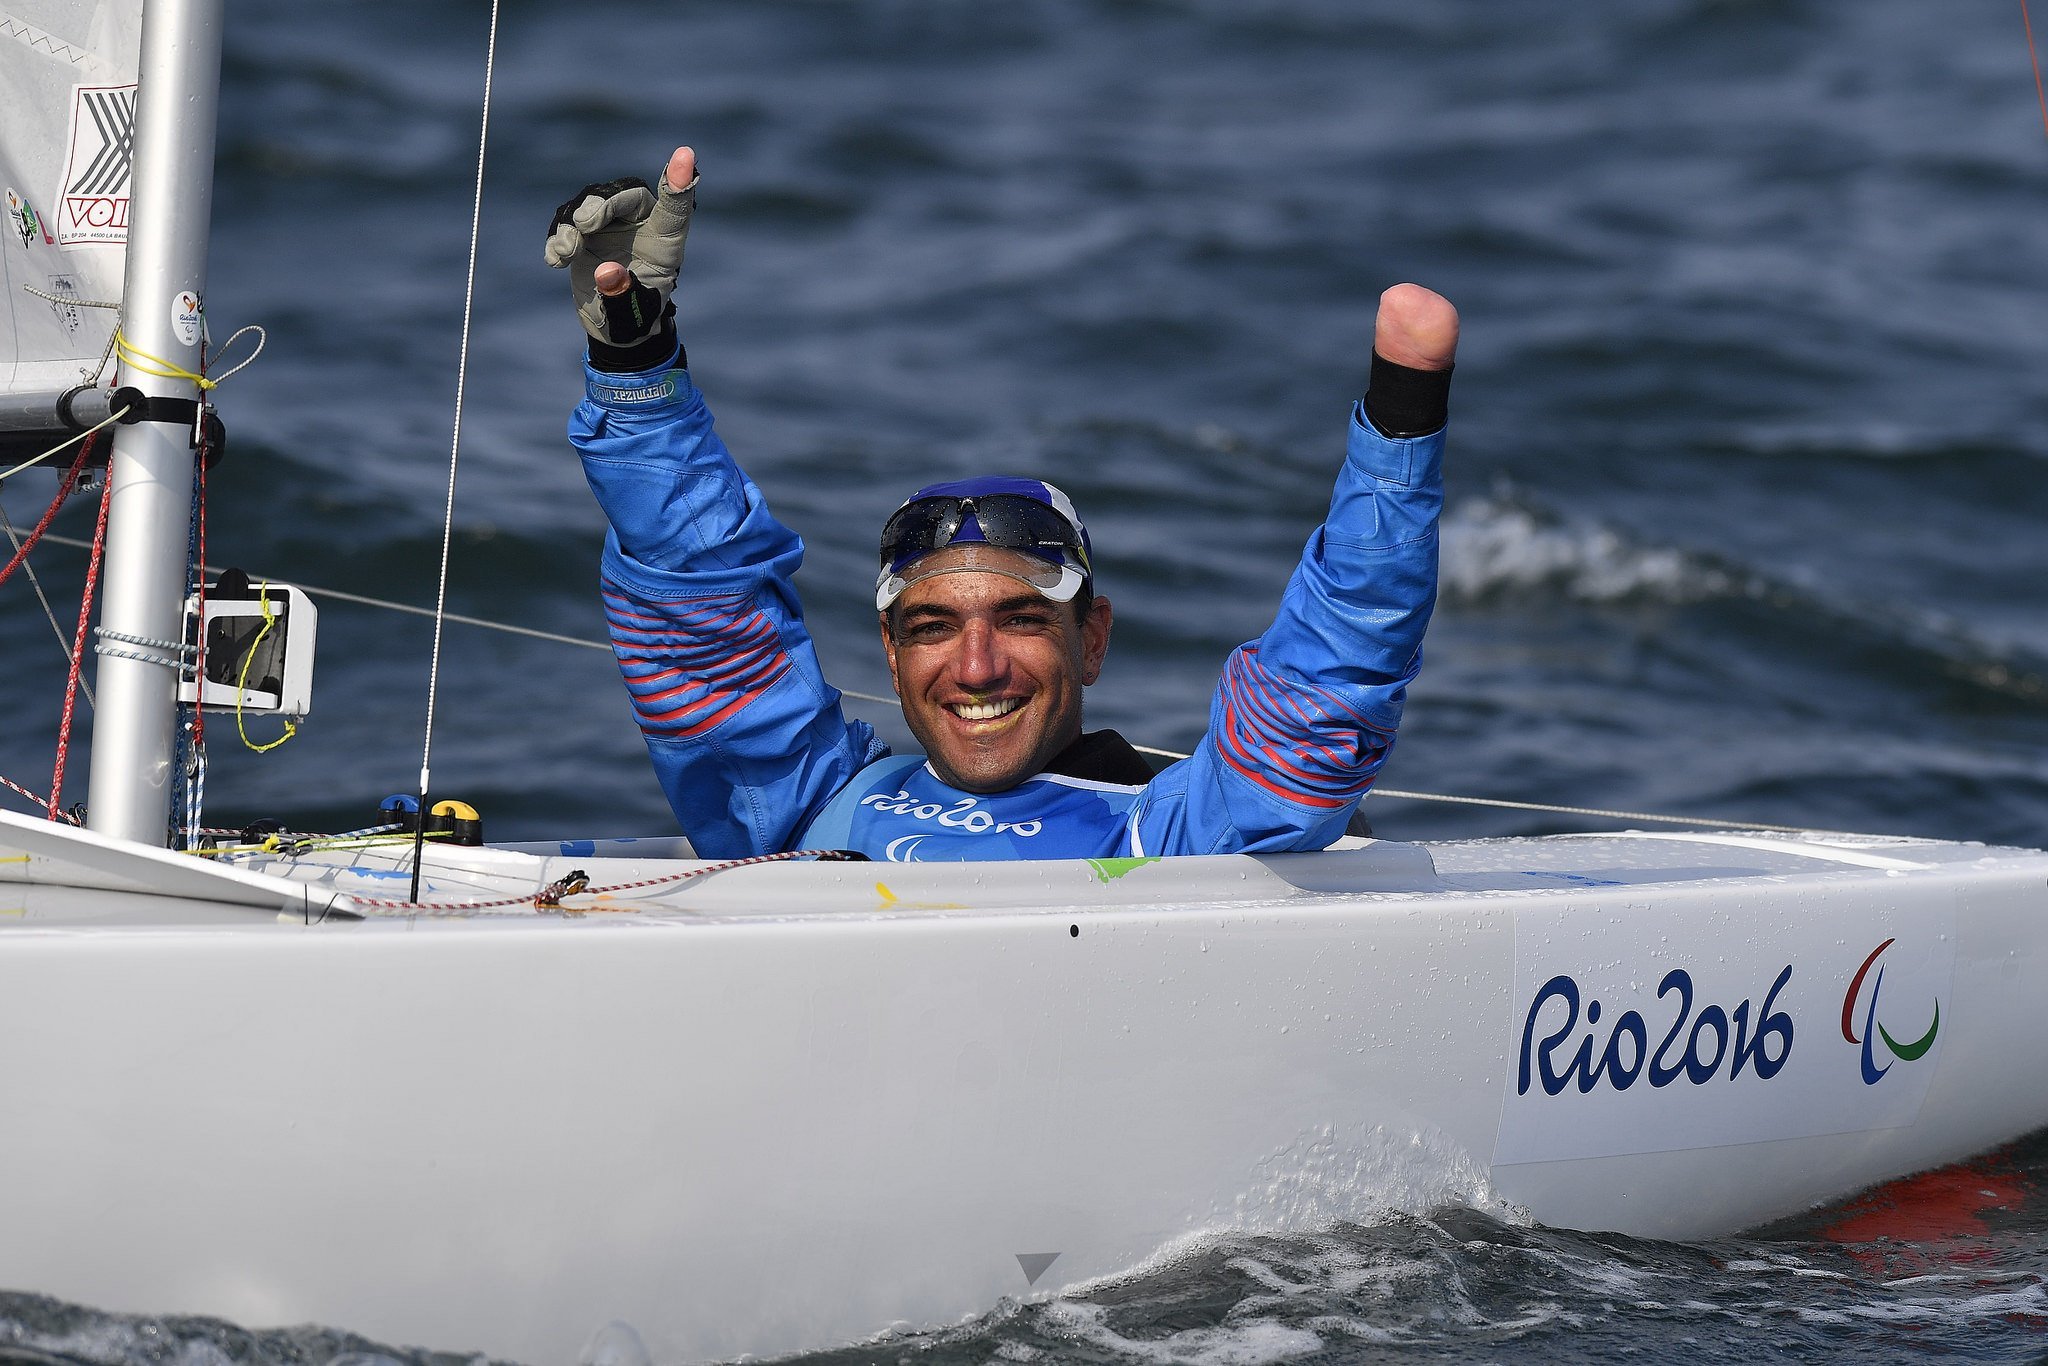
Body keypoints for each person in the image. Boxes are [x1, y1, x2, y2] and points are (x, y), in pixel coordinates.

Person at [548, 146, 1455, 862]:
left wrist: (1398, 436)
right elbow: (700, 612)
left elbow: (1320, 696)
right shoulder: (809, 805)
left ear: (1092, 638)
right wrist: (637, 373)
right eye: (933, 626)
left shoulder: (1172, 837)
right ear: (890, 653)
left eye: (1020, 618)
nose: (976, 667)